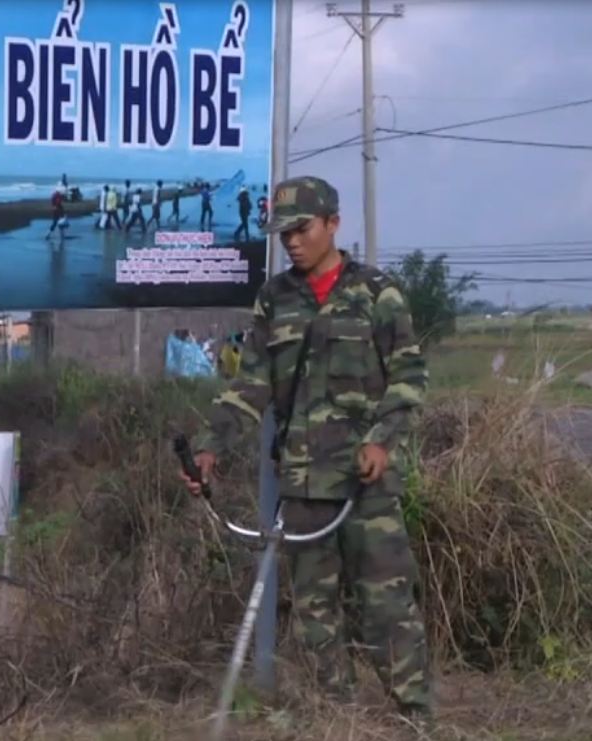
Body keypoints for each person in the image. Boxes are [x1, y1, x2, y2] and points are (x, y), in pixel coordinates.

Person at [180, 175, 435, 724]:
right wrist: (211, 446)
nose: (291, 242)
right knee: (316, 615)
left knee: (387, 607)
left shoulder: (377, 293)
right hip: (302, 486)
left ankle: (416, 720)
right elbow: (250, 385)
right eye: (283, 233)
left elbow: (410, 379)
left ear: (333, 224)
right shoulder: (275, 300)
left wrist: (382, 442)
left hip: (367, 486)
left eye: (301, 229)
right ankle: (338, 720)